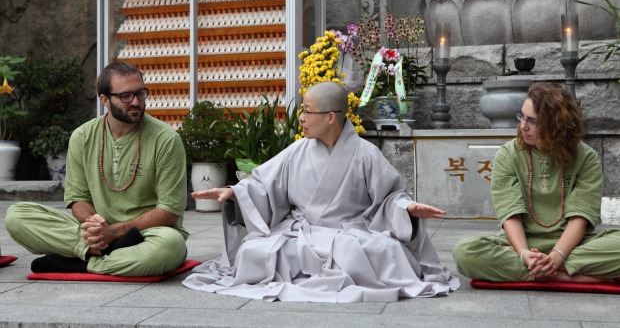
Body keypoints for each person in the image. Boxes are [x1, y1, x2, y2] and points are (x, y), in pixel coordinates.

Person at [183, 81, 460, 302]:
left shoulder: (366, 154)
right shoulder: (296, 151)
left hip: (350, 231)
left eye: (306, 111)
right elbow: (263, 186)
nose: (300, 118)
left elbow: (389, 197)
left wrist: (406, 209)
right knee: (254, 252)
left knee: (377, 251)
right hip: (300, 231)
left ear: (330, 117)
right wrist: (235, 193)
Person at [5, 61, 188, 276]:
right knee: (17, 216)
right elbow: (78, 198)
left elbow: (169, 212)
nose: (136, 102)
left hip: (145, 234)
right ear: (105, 99)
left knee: (171, 246)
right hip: (98, 232)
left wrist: (116, 231)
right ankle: (99, 251)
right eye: (126, 96)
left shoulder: (166, 139)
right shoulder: (82, 136)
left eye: (140, 93)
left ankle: (83, 263)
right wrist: (95, 226)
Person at [454, 82, 620, 282]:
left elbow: (580, 218)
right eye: (521, 116)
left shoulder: (586, 158)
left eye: (532, 121)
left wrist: (557, 256)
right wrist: (524, 254)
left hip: (574, 244)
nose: (522, 126)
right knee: (465, 252)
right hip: (520, 244)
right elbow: (510, 214)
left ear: (555, 124)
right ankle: (568, 277)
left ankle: (545, 271)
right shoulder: (508, 154)